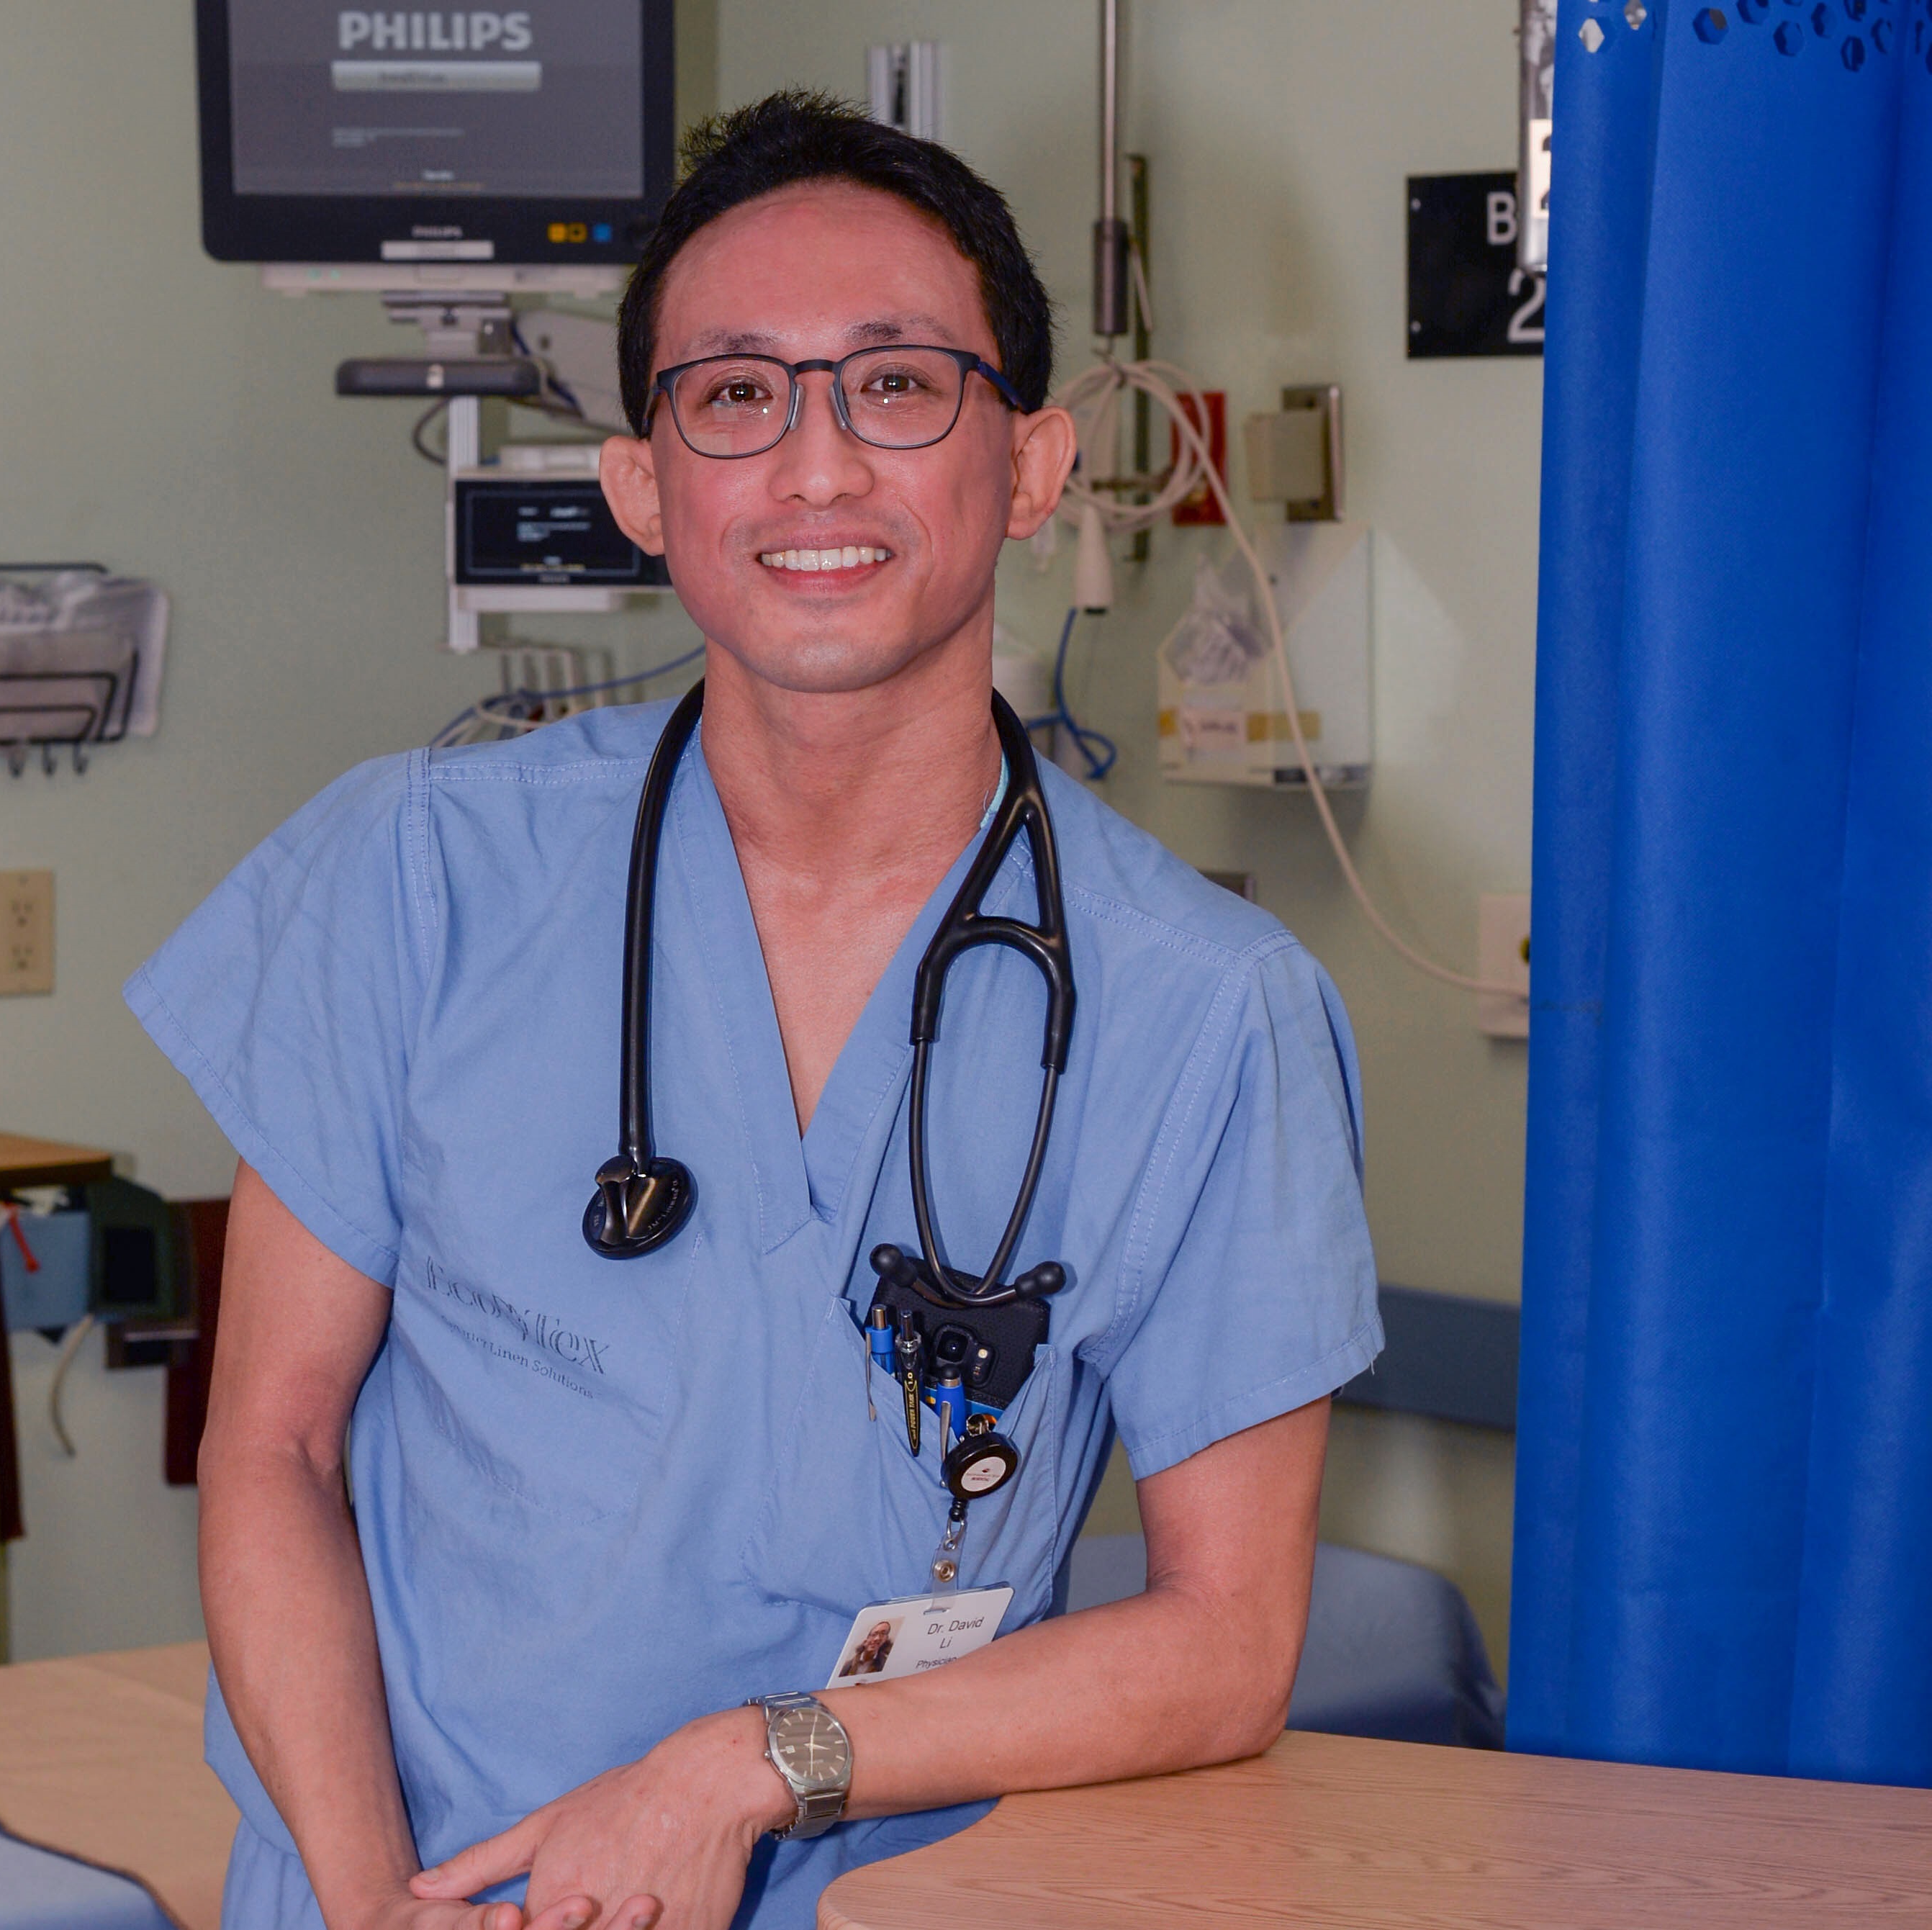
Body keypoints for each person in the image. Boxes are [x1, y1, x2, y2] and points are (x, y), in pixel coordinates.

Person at [125, 90, 1378, 1930]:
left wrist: (747, 1767)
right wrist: (367, 1896)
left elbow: (1225, 1641)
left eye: (896, 386)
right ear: (644, 486)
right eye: (734, 395)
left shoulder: (1208, 1015)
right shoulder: (416, 878)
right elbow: (274, 1448)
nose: (815, 467)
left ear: (1034, 468)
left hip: (896, 1902)